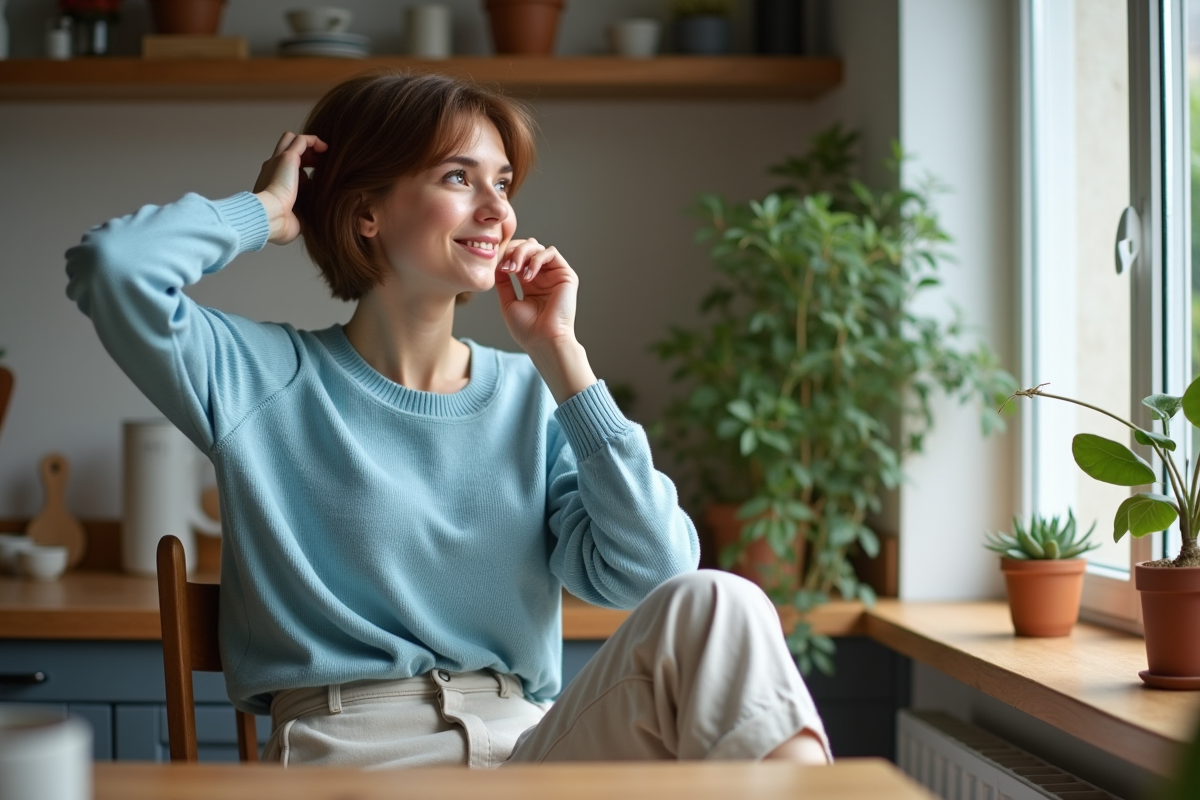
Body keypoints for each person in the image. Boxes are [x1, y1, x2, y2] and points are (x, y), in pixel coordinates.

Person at [65, 71, 831, 768]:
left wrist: (562, 355)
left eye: (502, 181)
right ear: (366, 211)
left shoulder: (534, 398)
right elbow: (114, 269)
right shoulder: (260, 379)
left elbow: (656, 572)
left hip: (527, 754)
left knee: (721, 603)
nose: (497, 209)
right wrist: (265, 210)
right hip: (347, 761)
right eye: (459, 178)